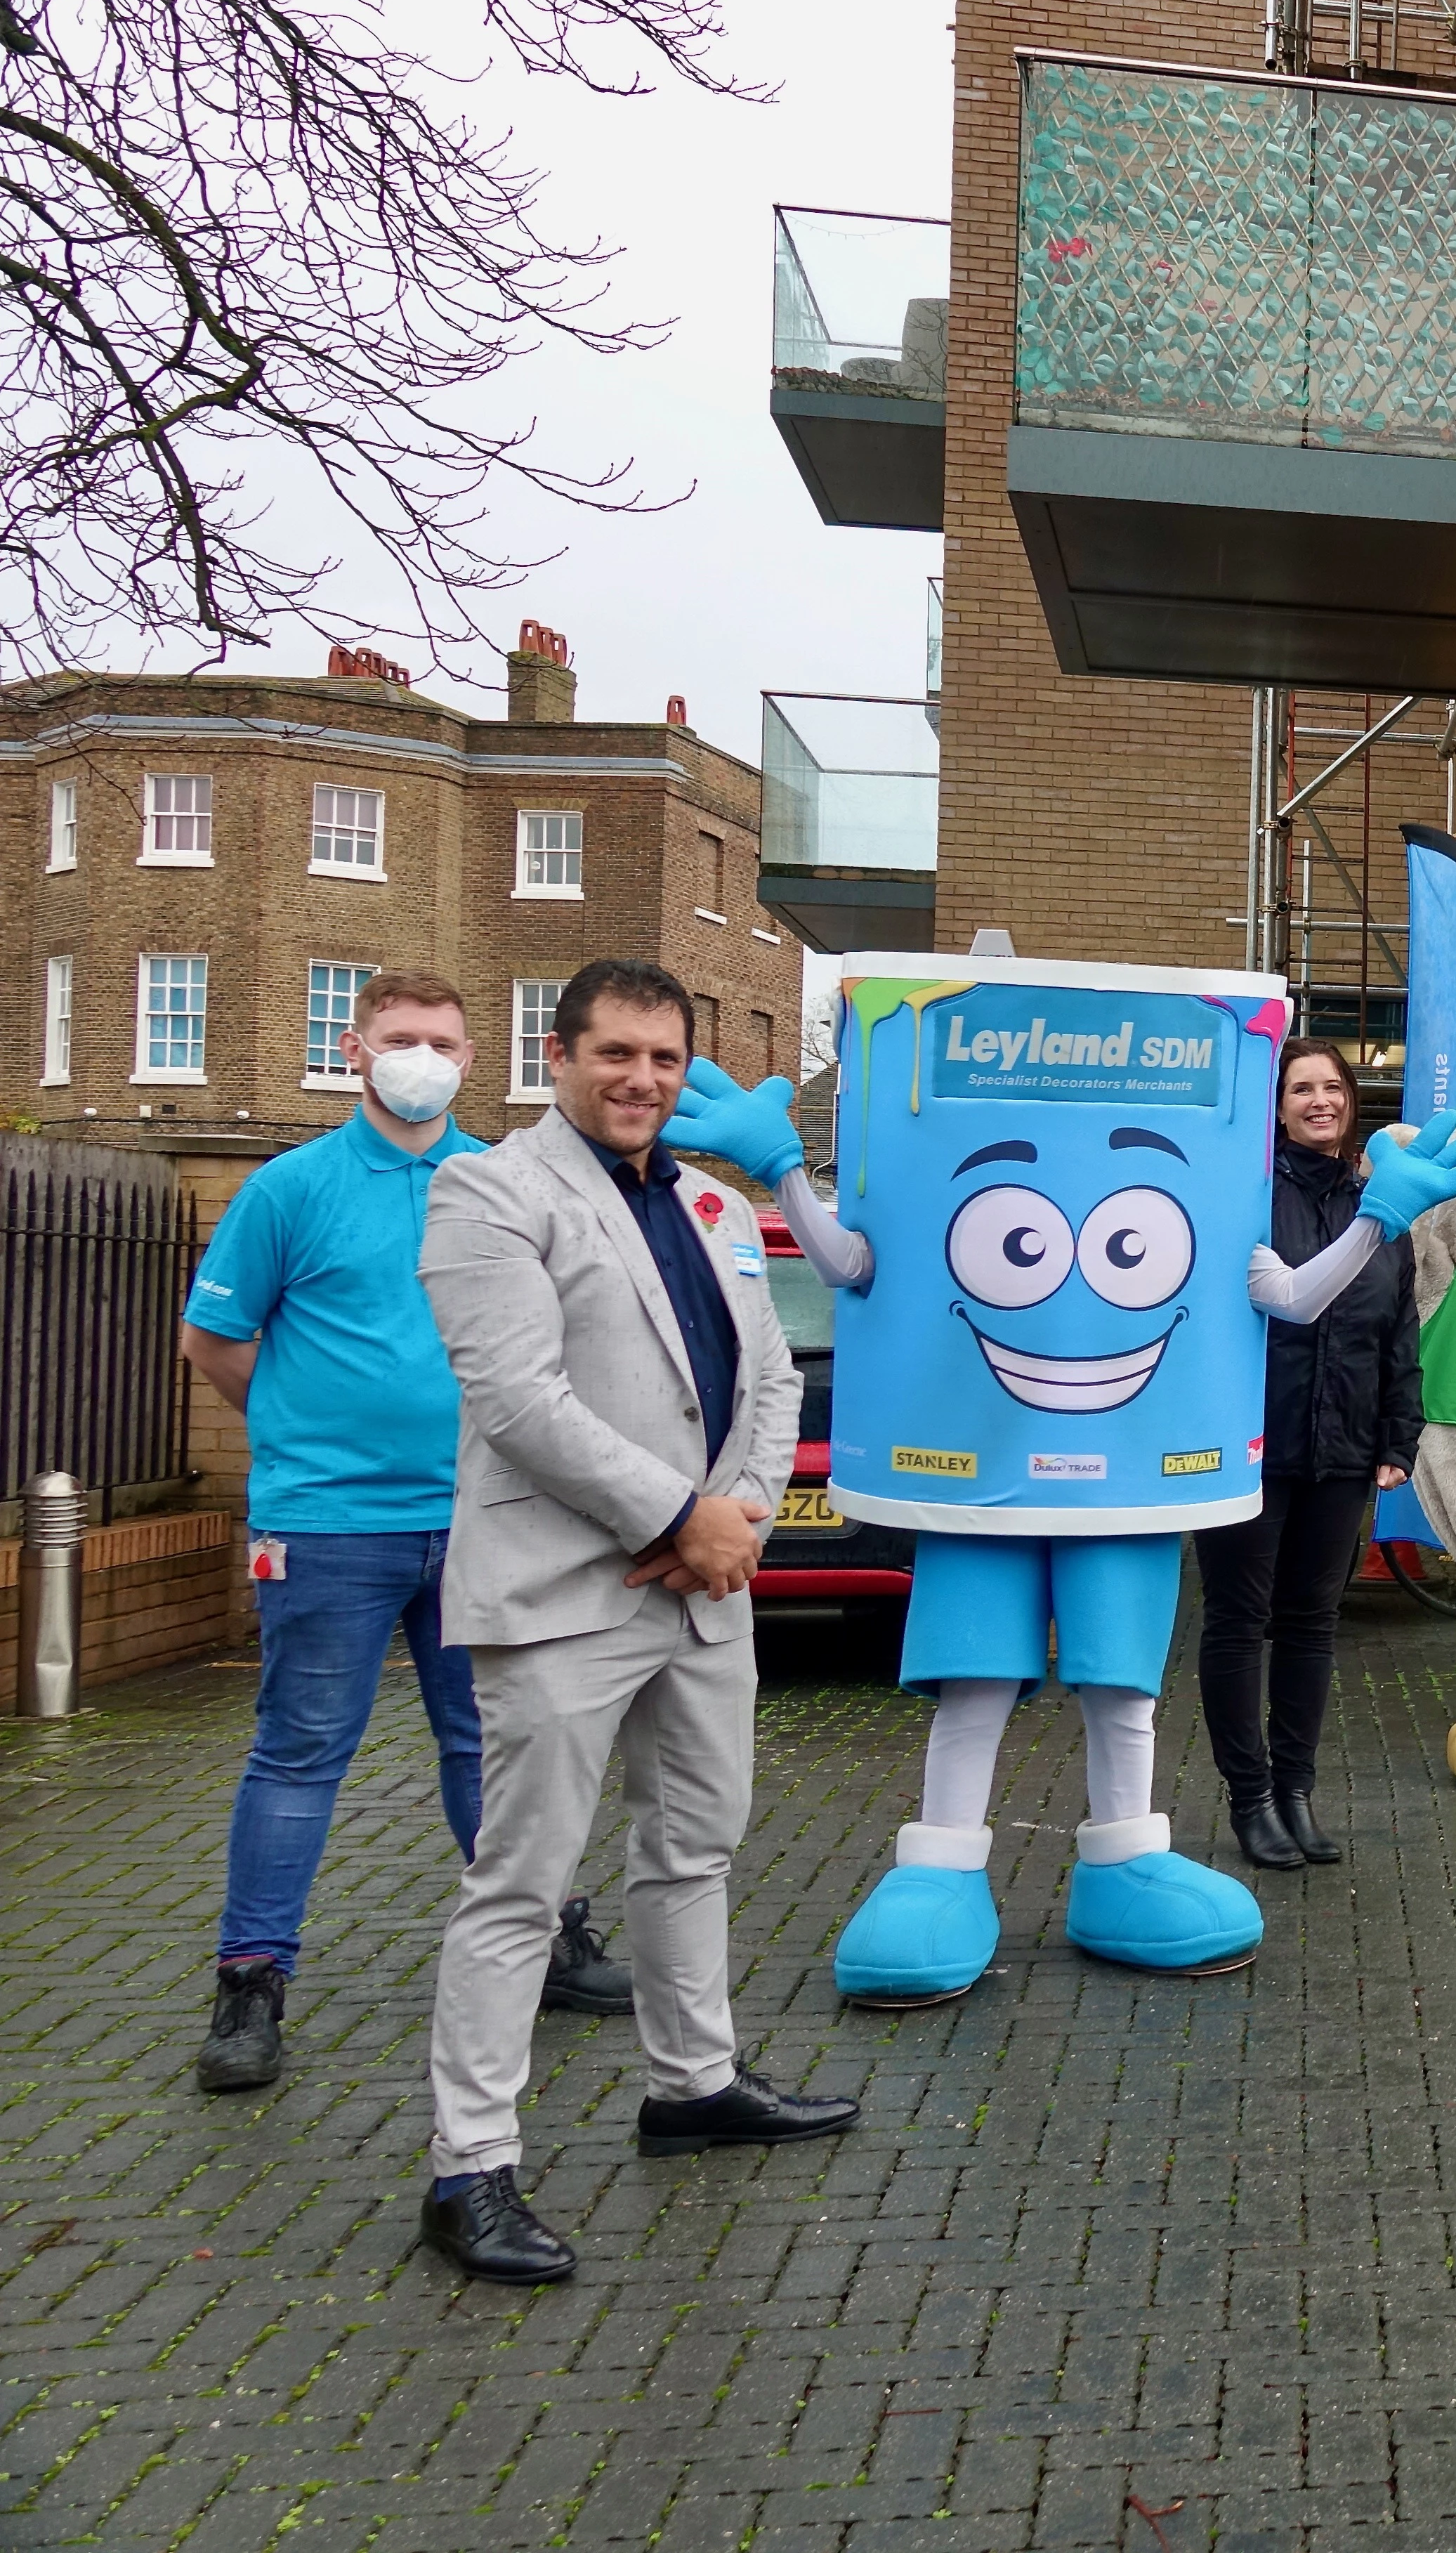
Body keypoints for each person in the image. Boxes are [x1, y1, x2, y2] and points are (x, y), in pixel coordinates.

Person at [412, 960, 840, 2285]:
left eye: (663, 1056)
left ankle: (691, 2081)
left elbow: (769, 1377)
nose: (641, 1078)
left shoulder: (714, 1199)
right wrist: (677, 1517)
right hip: (561, 1597)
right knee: (524, 1883)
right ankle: (468, 2164)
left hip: (706, 1588)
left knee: (697, 1846)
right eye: (616, 1053)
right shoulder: (489, 1187)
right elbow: (518, 1398)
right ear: (559, 1053)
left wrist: (741, 1516)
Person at [176, 972, 629, 2095]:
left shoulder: (500, 1182)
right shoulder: (290, 1188)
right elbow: (216, 1343)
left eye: (441, 1041)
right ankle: (251, 1982)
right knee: (299, 1752)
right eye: (400, 1039)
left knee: (495, 1747)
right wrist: (307, 1430)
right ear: (355, 1048)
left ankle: (551, 1939)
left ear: (473, 1059)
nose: (420, 1056)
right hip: (328, 1524)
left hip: (485, 1513)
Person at [1193, 1041, 1422, 1869]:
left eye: (1333, 1087)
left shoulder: (1381, 1202)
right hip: (1252, 1447)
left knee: (1310, 1625)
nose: (1320, 1101)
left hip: (1344, 1446)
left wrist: (1400, 1434)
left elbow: (1401, 1327)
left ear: (1351, 1101)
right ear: (1277, 1106)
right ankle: (1249, 1797)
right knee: (1238, 1622)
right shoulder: (1248, 1197)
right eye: (1302, 1089)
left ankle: (1296, 1790)